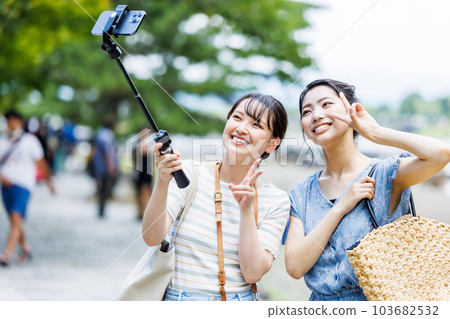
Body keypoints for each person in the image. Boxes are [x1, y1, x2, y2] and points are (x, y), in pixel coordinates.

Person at [284, 79, 450, 301]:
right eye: (307, 111)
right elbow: (295, 267)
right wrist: (340, 208)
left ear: (350, 110)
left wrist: (376, 133)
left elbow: (441, 155)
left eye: (326, 105)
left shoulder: (384, 175)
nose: (315, 115)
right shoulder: (301, 193)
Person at [142, 93, 290, 301]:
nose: (241, 128)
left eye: (256, 125)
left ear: (272, 144)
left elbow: (253, 273)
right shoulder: (189, 174)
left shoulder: (276, 200)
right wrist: (163, 181)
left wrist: (246, 210)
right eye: (237, 118)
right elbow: (151, 237)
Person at [0, 110, 55, 266]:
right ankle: (25, 248)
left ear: (20, 122)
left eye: (14, 120)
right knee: (15, 220)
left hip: (23, 185)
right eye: (9, 120)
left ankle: (7, 253)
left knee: (16, 216)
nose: (11, 124)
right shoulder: (2, 141)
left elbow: (41, 162)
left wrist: (49, 182)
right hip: (6, 186)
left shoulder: (30, 141)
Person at [91, 118, 118, 218]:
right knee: (105, 188)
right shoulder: (109, 135)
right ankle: (102, 211)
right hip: (105, 167)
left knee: (100, 187)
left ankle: (100, 209)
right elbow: (107, 153)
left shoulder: (99, 133)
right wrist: (111, 166)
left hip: (98, 165)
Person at [134, 133, 154, 220]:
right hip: (143, 171)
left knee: (146, 192)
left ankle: (144, 212)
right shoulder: (142, 145)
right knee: (143, 192)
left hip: (146, 171)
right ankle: (143, 212)